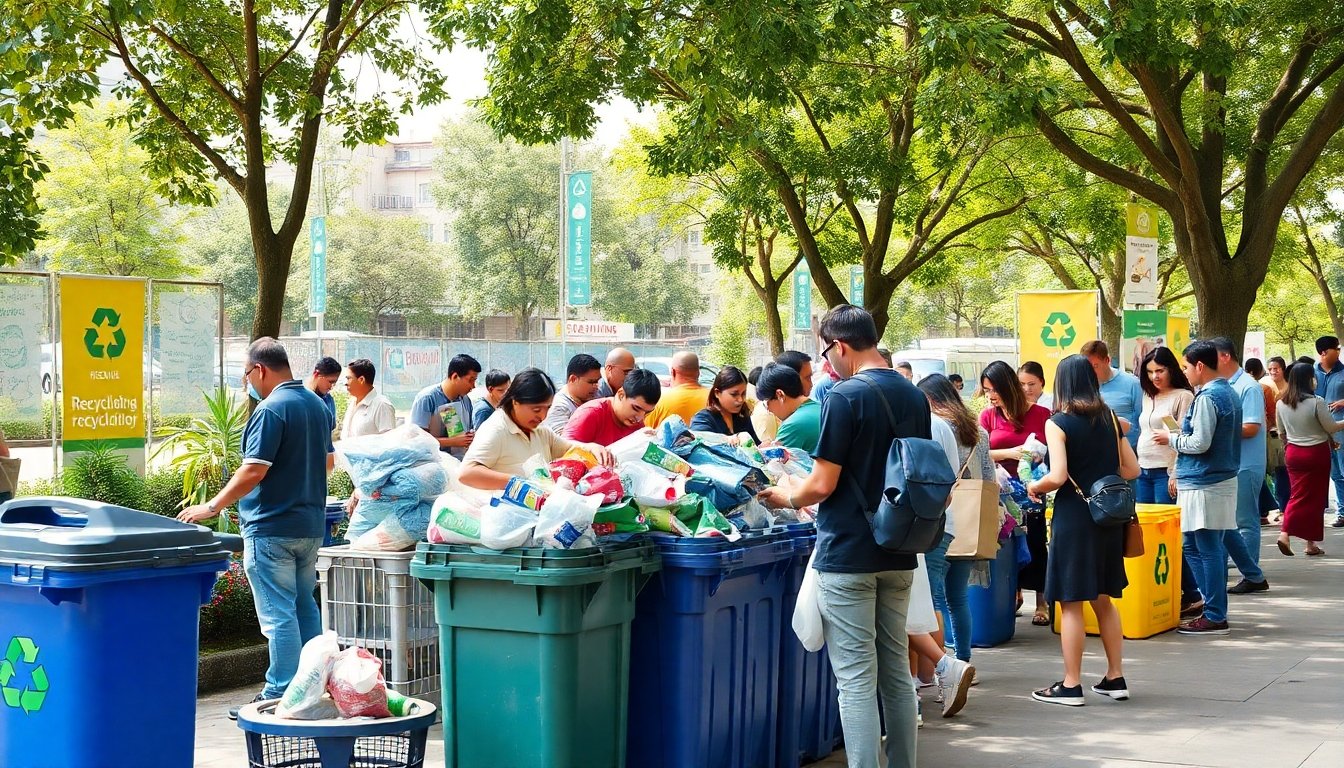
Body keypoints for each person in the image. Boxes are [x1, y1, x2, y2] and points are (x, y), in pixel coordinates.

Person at [758, 304, 928, 768]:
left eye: (826, 351)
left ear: (841, 346)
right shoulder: (912, 395)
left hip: (849, 552)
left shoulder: (845, 395)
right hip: (899, 549)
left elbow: (822, 484)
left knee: (854, 679)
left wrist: (784, 496)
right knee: (894, 670)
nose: (826, 361)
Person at [177, 338, 334, 718]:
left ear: (259, 370)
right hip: (309, 525)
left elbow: (254, 469)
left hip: (271, 527)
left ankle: (279, 694)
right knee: (303, 606)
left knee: (278, 613)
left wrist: (212, 506)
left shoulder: (271, 409)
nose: (247, 382)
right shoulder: (316, 404)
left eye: (246, 374)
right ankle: (313, 685)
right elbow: (328, 464)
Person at [1025, 354, 1137, 705]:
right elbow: (1131, 469)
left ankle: (1071, 684)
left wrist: (1036, 487)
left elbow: (1058, 476)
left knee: (1072, 602)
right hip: (1107, 517)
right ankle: (1115, 677)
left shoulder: (1058, 422)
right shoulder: (1109, 418)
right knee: (1103, 598)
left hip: (1075, 517)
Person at [1153, 340, 1241, 635]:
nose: (1185, 372)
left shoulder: (1207, 397)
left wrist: (1172, 439)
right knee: (1198, 546)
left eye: (1186, 366)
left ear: (1200, 366)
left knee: (1205, 547)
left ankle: (1215, 613)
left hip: (1204, 482)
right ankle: (1212, 609)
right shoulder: (1228, 391)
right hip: (1214, 480)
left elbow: (1200, 443)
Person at [918, 373, 994, 668]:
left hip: (939, 519)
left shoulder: (933, 428)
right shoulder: (977, 431)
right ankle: (964, 660)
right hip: (969, 523)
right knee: (958, 598)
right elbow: (988, 479)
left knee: (934, 599)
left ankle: (941, 668)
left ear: (931, 400)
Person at [979, 360, 1051, 625]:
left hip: (1031, 488)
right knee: (1007, 544)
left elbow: (1050, 450)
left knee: (1035, 542)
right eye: (986, 390)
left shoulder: (1041, 414)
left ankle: (1041, 602)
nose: (990, 395)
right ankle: (1013, 595)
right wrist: (1010, 453)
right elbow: (979, 451)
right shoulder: (987, 416)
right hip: (1000, 489)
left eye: (994, 389)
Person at [459, 368, 613, 488]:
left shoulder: (540, 431)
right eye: (536, 409)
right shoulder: (496, 429)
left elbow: (566, 448)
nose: (543, 416)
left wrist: (591, 448)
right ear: (515, 402)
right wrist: (519, 483)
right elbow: (467, 473)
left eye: (548, 408)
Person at [1210, 337, 1270, 594]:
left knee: (1245, 521)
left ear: (1224, 357)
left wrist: (1213, 429)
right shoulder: (1223, 385)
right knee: (1228, 522)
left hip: (1246, 464)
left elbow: (1251, 427)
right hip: (1230, 464)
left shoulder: (1248, 386)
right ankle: (1246, 572)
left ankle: (1251, 574)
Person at [1275, 363, 1344, 556]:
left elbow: (1281, 433)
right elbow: (1330, 427)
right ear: (1308, 379)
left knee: (1300, 494)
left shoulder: (1281, 403)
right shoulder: (1316, 402)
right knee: (1311, 498)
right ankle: (1285, 534)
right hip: (1316, 454)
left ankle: (1310, 543)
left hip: (1294, 454)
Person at [1136, 347, 1194, 505]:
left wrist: (1175, 473)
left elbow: (1186, 437)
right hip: (1143, 468)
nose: (1155, 376)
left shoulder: (1183, 396)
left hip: (1166, 471)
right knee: (1144, 524)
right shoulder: (1148, 396)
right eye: (1150, 371)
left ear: (1171, 370)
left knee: (1165, 524)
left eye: (1160, 371)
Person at [565, 369, 662, 446]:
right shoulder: (590, 413)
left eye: (647, 413)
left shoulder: (638, 426)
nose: (640, 418)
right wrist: (589, 449)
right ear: (621, 395)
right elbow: (563, 449)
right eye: (636, 408)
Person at [410, 354, 481, 459]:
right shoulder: (427, 398)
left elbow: (463, 431)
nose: (473, 386)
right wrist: (452, 442)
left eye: (475, 380)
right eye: (470, 380)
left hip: (458, 460)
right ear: (455, 376)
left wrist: (470, 437)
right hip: (429, 461)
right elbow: (418, 440)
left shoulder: (465, 400)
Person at [1082, 341, 1142, 450]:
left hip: (1127, 452)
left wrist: (1125, 427)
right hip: (1095, 453)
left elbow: (1143, 423)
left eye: (1095, 366)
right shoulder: (1083, 387)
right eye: (1087, 368)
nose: (1091, 372)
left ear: (1107, 360)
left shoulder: (1132, 384)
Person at [1313, 336, 1344, 528]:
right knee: (1335, 474)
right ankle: (1342, 512)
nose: (1339, 351)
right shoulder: (1311, 373)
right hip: (1319, 432)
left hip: (1341, 429)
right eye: (1336, 348)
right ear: (1323, 352)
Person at [757, 363, 822, 451]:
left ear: (780, 395)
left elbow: (778, 463)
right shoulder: (820, 406)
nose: (768, 410)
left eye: (767, 403)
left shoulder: (792, 425)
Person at [690, 366, 760, 442]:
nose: (740, 400)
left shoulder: (742, 416)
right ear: (717, 393)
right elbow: (699, 440)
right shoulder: (703, 419)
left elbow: (755, 444)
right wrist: (726, 439)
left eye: (743, 394)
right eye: (734, 394)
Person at [645, 351, 709, 427]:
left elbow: (645, 432)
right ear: (698, 372)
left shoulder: (658, 401)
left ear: (673, 372)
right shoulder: (715, 399)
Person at [543, 354, 602, 431]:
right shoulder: (559, 407)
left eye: (597, 381)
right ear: (573, 379)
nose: (596, 386)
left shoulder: (596, 396)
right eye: (591, 382)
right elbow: (564, 440)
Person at [340, 358, 397, 439]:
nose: (345, 383)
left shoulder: (382, 405)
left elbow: (389, 443)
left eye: (349, 378)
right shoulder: (353, 403)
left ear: (361, 380)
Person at [1266, 356, 1292, 514]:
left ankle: (1287, 507)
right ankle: (1282, 508)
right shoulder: (1264, 386)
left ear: (1283, 369)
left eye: (1276, 368)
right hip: (1272, 437)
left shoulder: (1290, 387)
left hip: (1289, 434)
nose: (1273, 372)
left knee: (1287, 472)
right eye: (1270, 369)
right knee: (1278, 472)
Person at [305, 356, 342, 422]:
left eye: (334, 383)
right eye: (330, 382)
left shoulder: (328, 400)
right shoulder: (301, 398)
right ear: (316, 374)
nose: (331, 387)